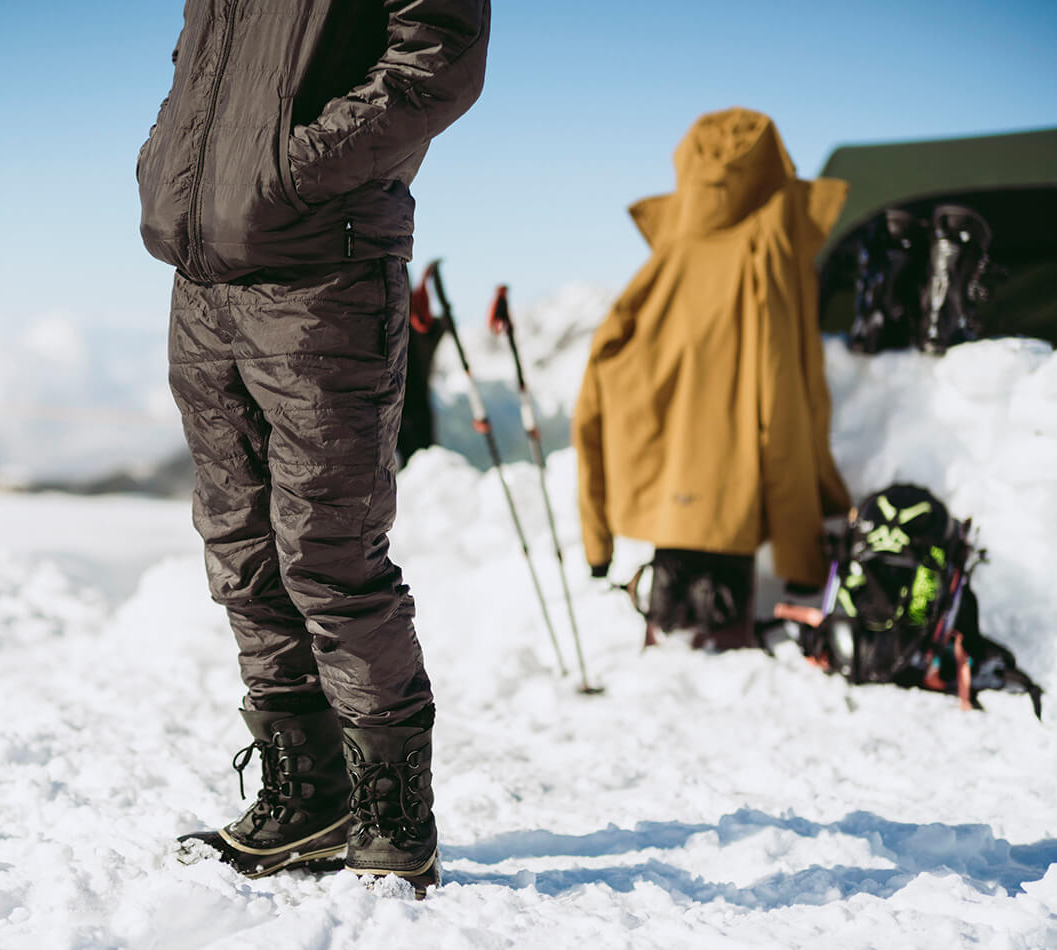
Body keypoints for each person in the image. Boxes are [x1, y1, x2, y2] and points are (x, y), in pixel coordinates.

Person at [136, 0, 490, 893]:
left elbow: (437, 59)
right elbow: (200, 62)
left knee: (329, 556)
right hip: (203, 280)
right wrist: (169, 160)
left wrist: (287, 171)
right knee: (241, 550)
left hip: (323, 277)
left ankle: (392, 818)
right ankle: (309, 793)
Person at [573, 108, 851, 651]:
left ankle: (672, 616)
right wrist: (803, 562)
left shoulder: (667, 257)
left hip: (667, 483)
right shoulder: (776, 243)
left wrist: (597, 544)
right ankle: (717, 620)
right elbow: (786, 399)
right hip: (737, 487)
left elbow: (595, 388)